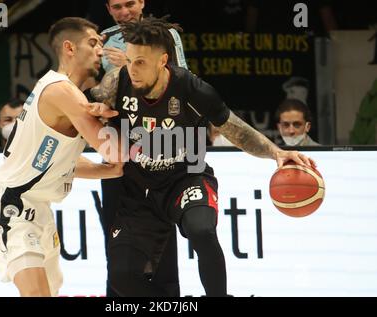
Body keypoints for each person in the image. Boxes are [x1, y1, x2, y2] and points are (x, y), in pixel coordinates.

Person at [89, 16, 315, 296]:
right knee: (121, 278)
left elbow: (236, 130)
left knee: (202, 232)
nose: (132, 69)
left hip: (186, 179)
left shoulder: (191, 89)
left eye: (141, 62)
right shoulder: (118, 82)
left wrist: (276, 152)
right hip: (139, 191)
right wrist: (96, 111)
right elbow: (88, 107)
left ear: (163, 61)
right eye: (130, 60)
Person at [0, 17, 123, 297]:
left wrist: (112, 170)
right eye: (93, 43)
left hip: (39, 210)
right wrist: (116, 112)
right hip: (12, 209)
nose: (100, 51)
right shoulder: (62, 91)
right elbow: (111, 150)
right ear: (69, 48)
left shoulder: (60, 89)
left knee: (52, 292)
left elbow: (59, 163)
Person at [96, 0, 188, 297]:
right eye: (117, 7)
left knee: (161, 231)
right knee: (115, 228)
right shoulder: (101, 39)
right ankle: (117, 297)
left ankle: (168, 297)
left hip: (158, 145)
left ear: (143, 2)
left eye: (130, 4)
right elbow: (96, 96)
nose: (124, 12)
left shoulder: (166, 35)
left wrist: (130, 65)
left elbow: (182, 86)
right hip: (117, 145)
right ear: (108, 9)